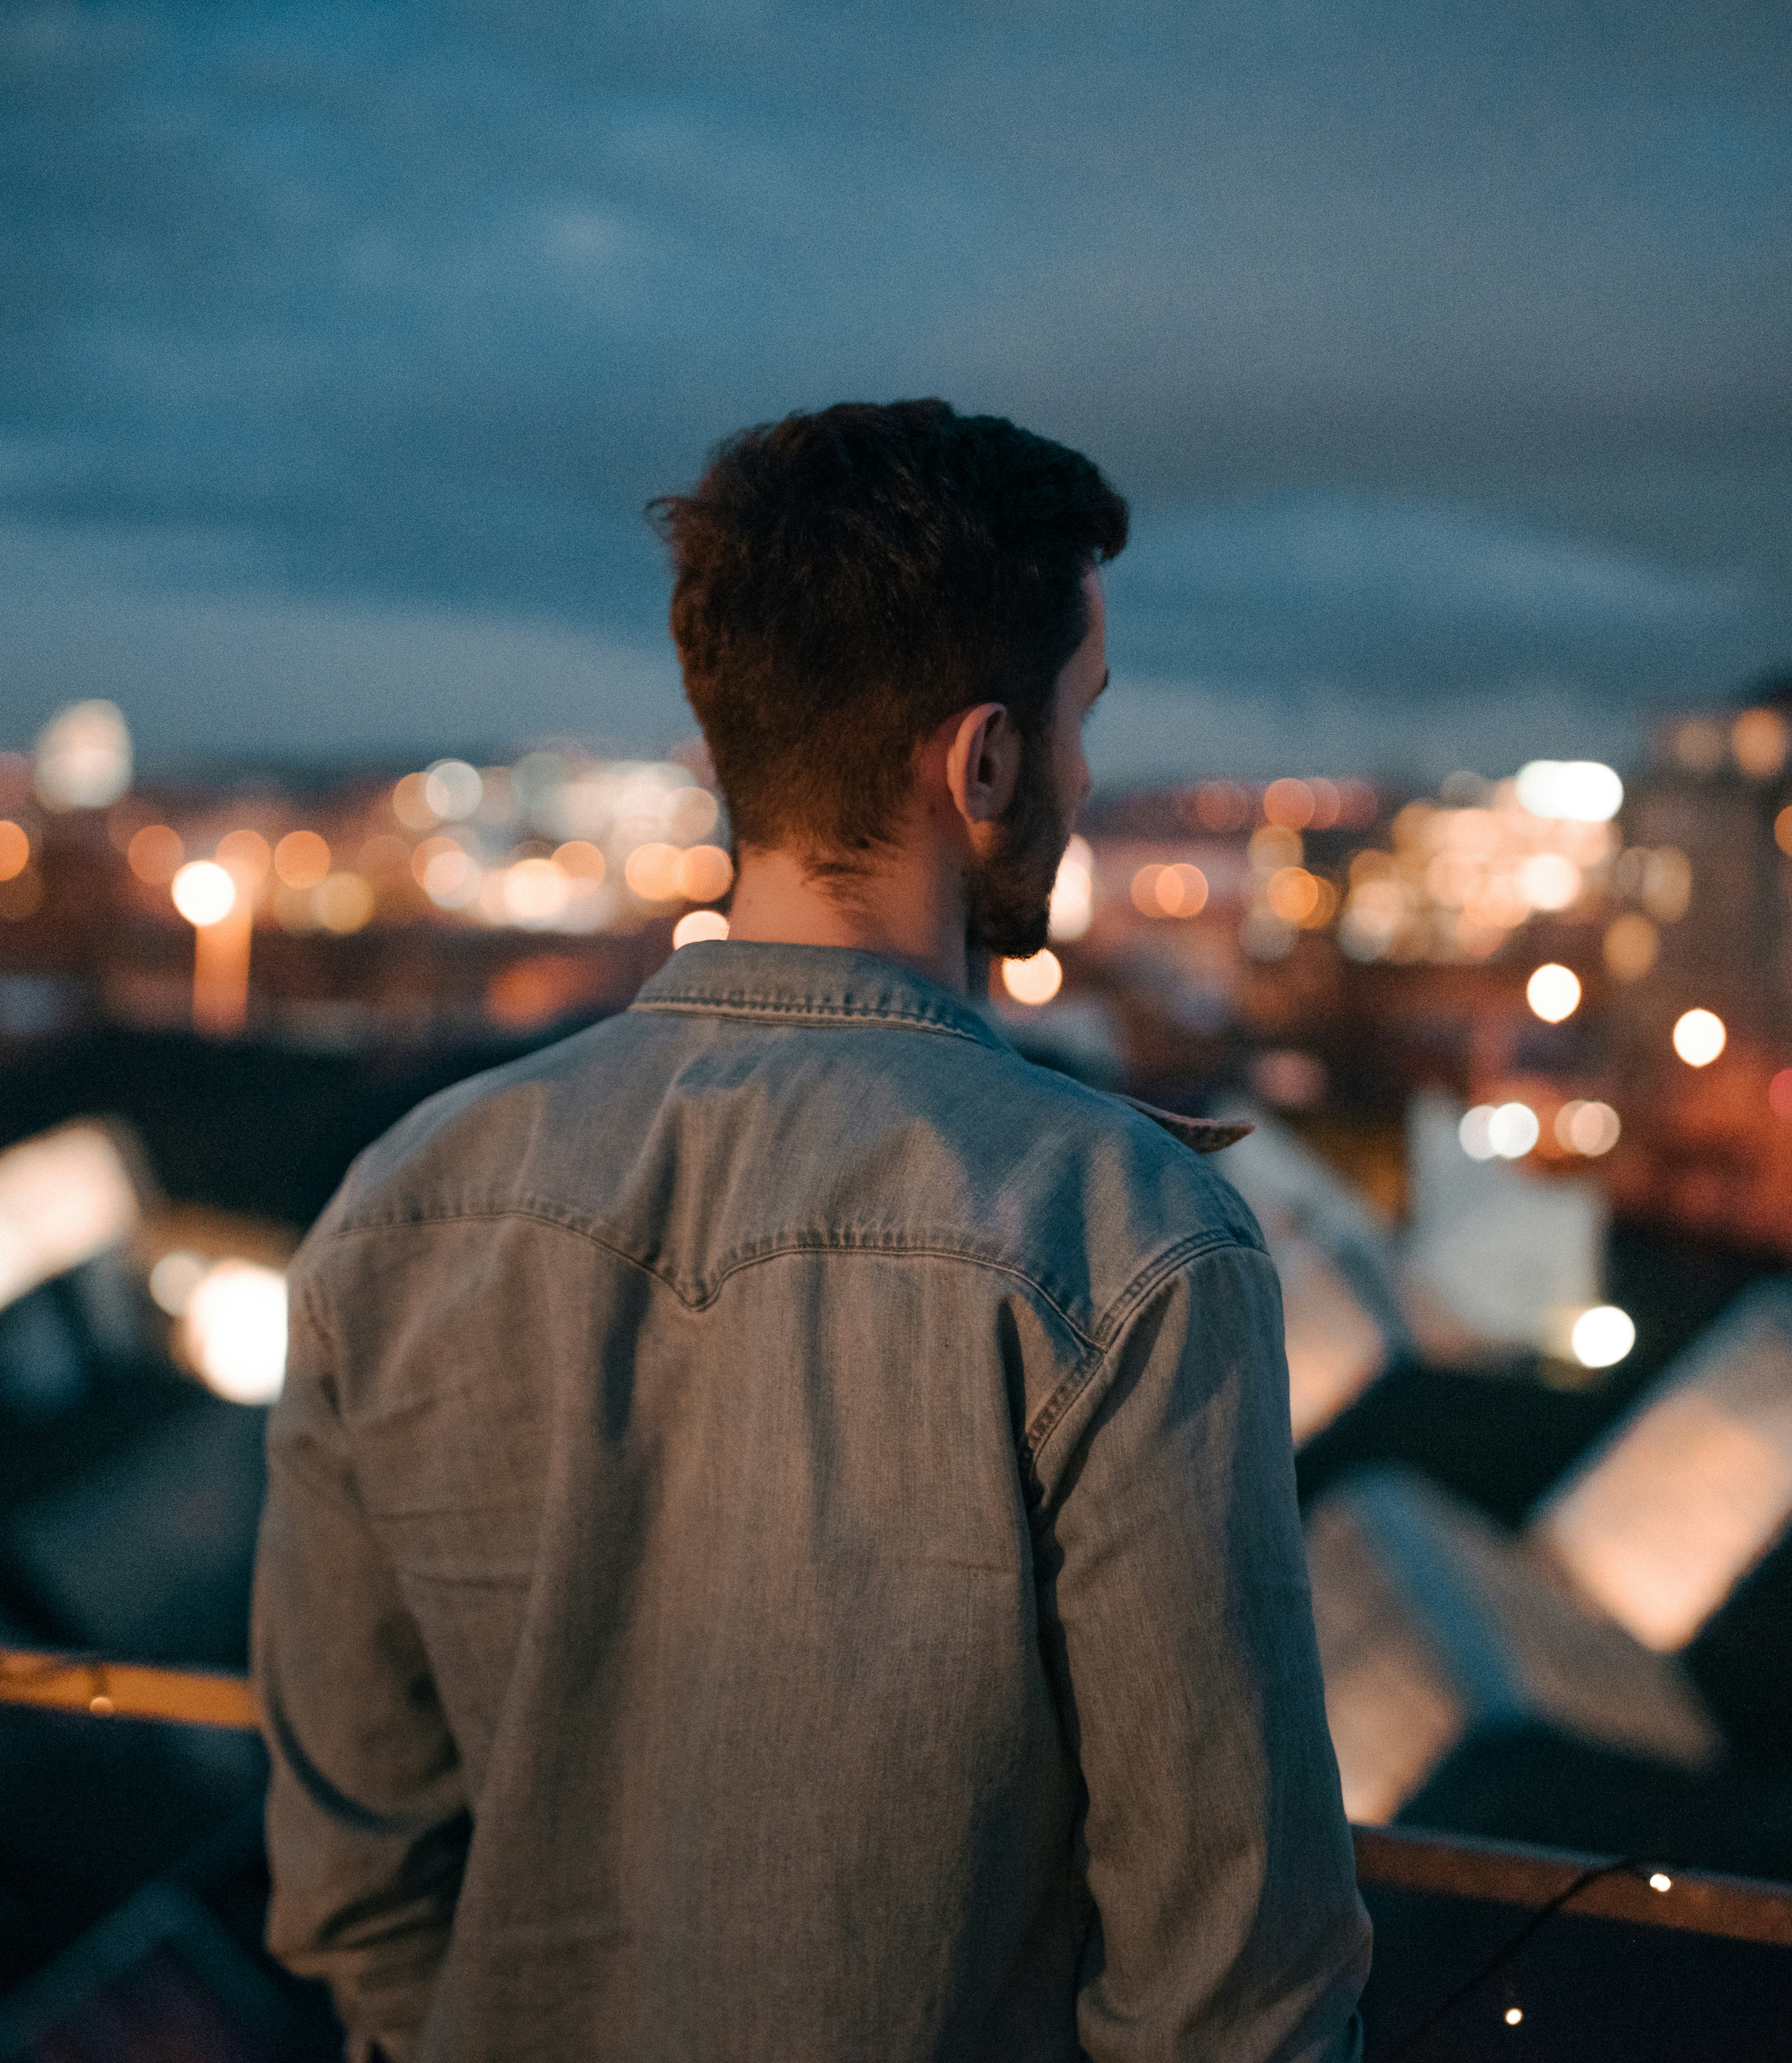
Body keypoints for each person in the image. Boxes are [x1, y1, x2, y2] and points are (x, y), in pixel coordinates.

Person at [253, 399, 1370, 2060]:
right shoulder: (1125, 1240)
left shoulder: (400, 1202)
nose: (1080, 773)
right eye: (1078, 723)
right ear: (983, 761)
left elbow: (353, 1890)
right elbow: (1232, 1993)